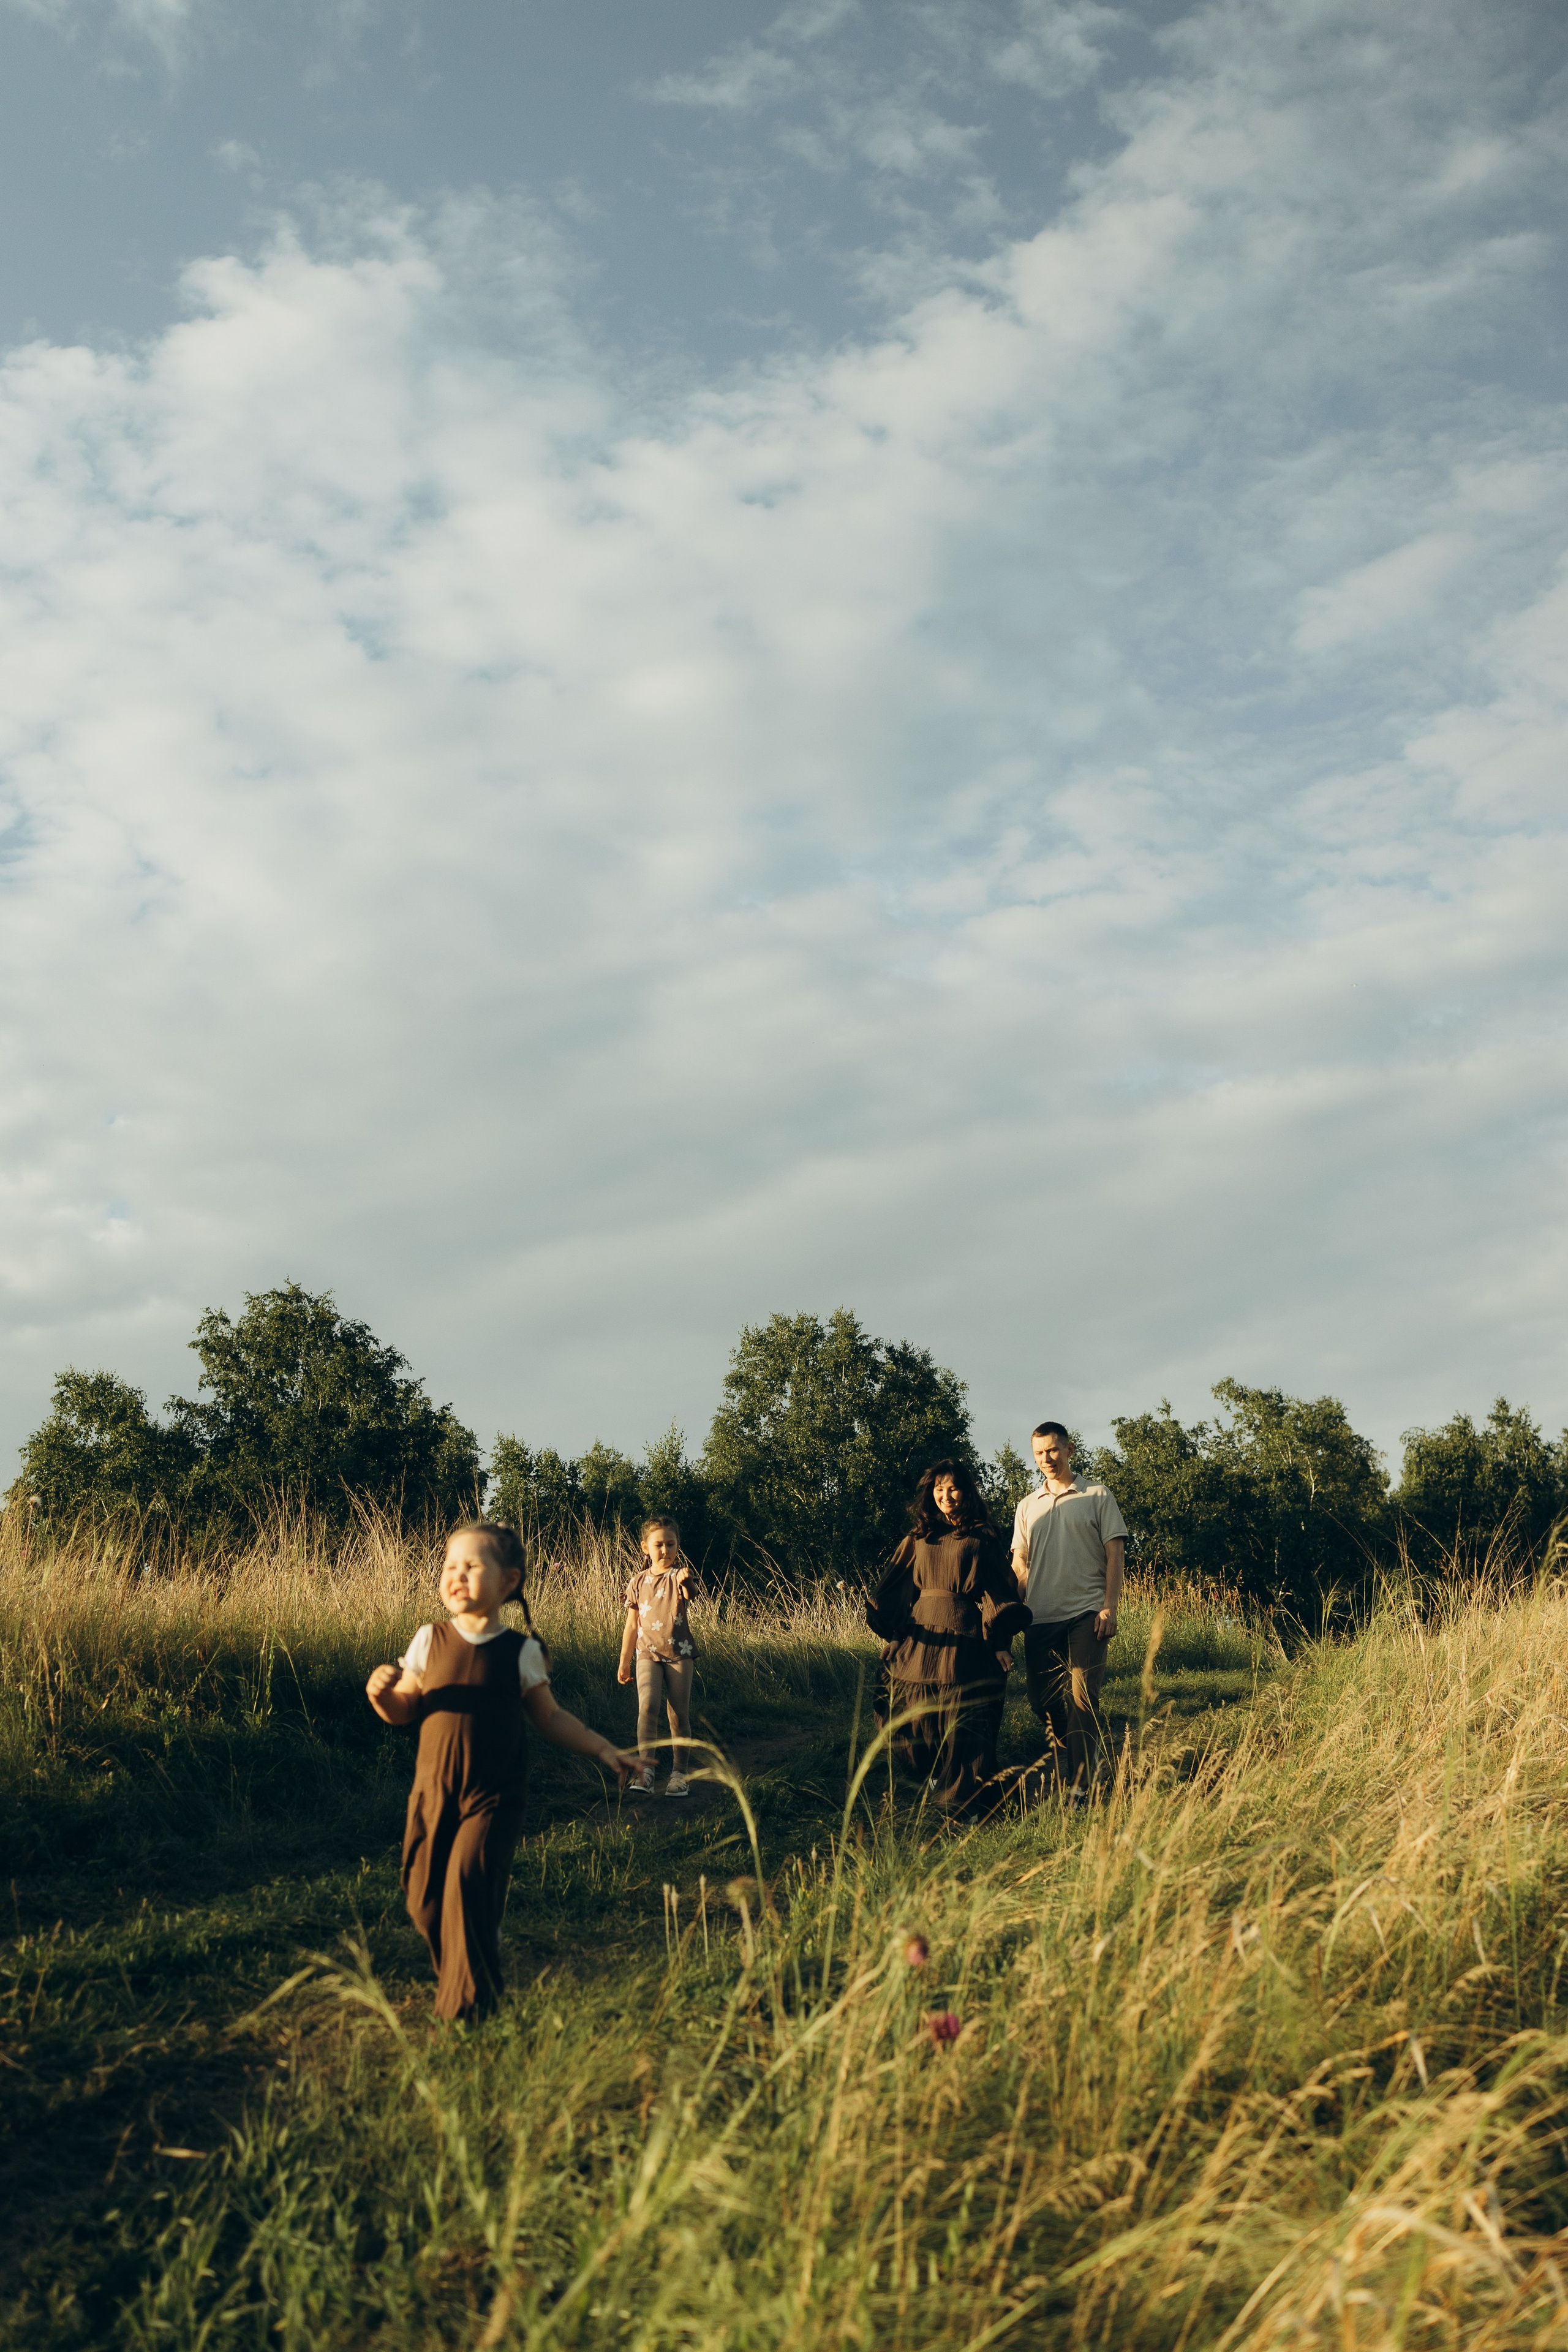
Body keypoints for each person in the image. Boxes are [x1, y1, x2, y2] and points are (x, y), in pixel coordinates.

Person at [366, 1521, 632, 2022]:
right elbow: (403, 1710)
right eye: (450, 1565)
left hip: (494, 1797)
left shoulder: (520, 1652)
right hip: (432, 1794)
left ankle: (469, 2013)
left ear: (509, 1581)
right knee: (425, 1902)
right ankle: (468, 1981)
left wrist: (604, 1749)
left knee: (468, 1887)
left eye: (471, 1566)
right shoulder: (429, 1640)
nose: (456, 1575)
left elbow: (550, 1718)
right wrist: (382, 1696)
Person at [867, 1458, 1031, 1814]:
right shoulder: (919, 1537)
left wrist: (1000, 1644)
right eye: (939, 1489)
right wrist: (894, 1636)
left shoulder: (982, 1536)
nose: (946, 1496)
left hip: (963, 1631)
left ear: (966, 1492)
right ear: (931, 1494)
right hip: (920, 1631)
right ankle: (932, 1773)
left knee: (962, 1718)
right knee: (906, 1711)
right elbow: (899, 1587)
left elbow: (997, 1589)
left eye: (953, 1488)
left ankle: (958, 1798)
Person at [1011, 1423, 1128, 1792]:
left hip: (1087, 1613)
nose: (1046, 1459)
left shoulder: (1098, 1494)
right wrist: (1013, 1610)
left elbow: (1115, 1554)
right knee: (1041, 1701)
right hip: (1041, 1615)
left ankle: (1080, 1786)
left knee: (1082, 1698)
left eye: (1052, 1450)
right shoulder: (1027, 1505)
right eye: (1039, 1453)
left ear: (1069, 1449)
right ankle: (1080, 1744)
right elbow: (1020, 1564)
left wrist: (1109, 1607)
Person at [617, 1515, 698, 1798]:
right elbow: (631, 1626)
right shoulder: (637, 1582)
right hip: (646, 1653)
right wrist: (624, 1661)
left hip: (679, 1653)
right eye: (659, 1545)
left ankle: (679, 1774)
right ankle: (645, 1772)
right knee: (648, 1707)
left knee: (678, 1713)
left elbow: (691, 1594)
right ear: (645, 1547)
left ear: (678, 1545)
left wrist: (688, 1582)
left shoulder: (680, 1576)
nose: (665, 1550)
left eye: (671, 1544)